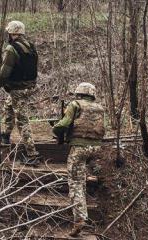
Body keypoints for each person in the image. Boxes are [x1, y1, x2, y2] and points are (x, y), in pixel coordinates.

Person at [52, 82, 105, 237]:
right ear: (92, 94)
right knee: (80, 179)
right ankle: (83, 213)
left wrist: (55, 129)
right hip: (95, 148)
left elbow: (64, 124)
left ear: (79, 93)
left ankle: (79, 219)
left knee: (75, 183)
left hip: (79, 148)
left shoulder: (74, 104)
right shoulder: (100, 108)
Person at [0, 20, 40, 166]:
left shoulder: (11, 49)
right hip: (29, 86)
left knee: (22, 121)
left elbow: (5, 71)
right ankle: (6, 135)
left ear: (13, 33)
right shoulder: (31, 47)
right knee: (8, 106)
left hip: (18, 88)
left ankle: (32, 154)